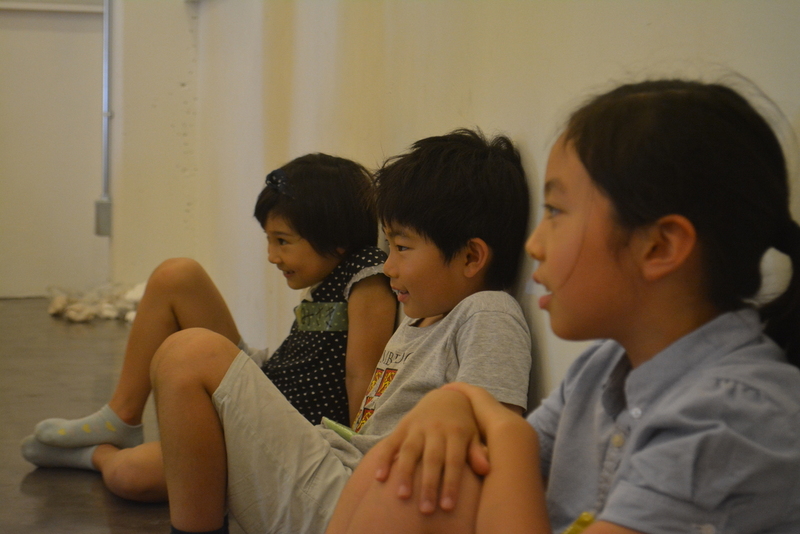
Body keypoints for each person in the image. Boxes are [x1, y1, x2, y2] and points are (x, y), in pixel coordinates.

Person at [328, 79, 800, 534]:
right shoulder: (601, 370)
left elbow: (504, 455)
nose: (534, 244)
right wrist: (452, 404)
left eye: (555, 212)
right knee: (398, 472)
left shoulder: (731, 416)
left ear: (659, 247)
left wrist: (497, 427)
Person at [149, 128, 533, 534]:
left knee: (191, 354)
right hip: (344, 473)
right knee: (143, 461)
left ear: (471, 257)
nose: (389, 266)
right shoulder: (420, 319)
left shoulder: (488, 312)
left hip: (359, 498)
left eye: (402, 248)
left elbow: (496, 445)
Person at [21, 153, 398, 503]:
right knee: (176, 275)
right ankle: (120, 418)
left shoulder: (365, 275)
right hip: (265, 385)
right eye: (269, 240)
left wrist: (356, 461)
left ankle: (97, 455)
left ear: (336, 239)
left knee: (131, 475)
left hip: (277, 434)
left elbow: (362, 375)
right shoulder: (333, 273)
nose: (272, 256)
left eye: (282, 241)